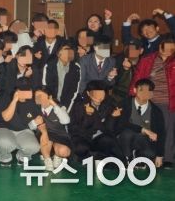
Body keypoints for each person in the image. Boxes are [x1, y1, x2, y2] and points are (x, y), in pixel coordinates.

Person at [128, 35, 175, 165]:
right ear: (160, 47)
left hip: (168, 100)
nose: (169, 51)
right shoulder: (148, 60)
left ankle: (167, 158)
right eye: (166, 48)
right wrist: (133, 94)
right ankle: (146, 154)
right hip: (148, 99)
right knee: (145, 127)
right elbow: (138, 78)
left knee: (167, 129)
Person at [117, 78, 166, 168]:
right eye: (141, 90)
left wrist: (160, 155)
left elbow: (161, 133)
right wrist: (144, 130)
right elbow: (121, 124)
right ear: (135, 90)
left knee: (150, 153)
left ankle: (138, 156)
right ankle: (127, 158)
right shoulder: (124, 104)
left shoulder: (156, 111)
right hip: (125, 138)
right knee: (127, 134)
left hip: (144, 140)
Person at [0, 78, 43, 167]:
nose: (24, 93)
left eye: (27, 90)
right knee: (5, 142)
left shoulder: (33, 102)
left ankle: (22, 156)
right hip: (4, 128)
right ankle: (5, 157)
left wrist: (35, 123)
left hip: (24, 131)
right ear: (16, 90)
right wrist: (14, 100)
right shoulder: (6, 97)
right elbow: (6, 118)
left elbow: (33, 125)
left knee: (34, 147)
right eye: (21, 90)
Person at [69, 80, 122, 161]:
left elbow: (107, 130)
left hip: (98, 137)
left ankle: (123, 162)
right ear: (88, 93)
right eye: (96, 96)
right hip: (82, 137)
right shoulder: (80, 105)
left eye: (102, 96)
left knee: (109, 141)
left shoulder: (108, 104)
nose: (99, 99)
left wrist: (112, 117)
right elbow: (74, 128)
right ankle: (95, 156)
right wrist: (88, 116)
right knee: (81, 148)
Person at [32, 86, 72, 171]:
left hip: (59, 135)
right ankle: (47, 159)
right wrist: (35, 122)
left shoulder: (59, 107)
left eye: (40, 96)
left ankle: (57, 156)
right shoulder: (34, 108)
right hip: (43, 135)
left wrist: (53, 104)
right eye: (36, 96)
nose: (38, 98)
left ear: (49, 97)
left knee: (64, 151)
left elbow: (66, 121)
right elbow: (30, 126)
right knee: (45, 134)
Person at [43, 44, 81, 110]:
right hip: (50, 102)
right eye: (65, 50)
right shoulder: (49, 66)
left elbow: (74, 91)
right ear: (58, 54)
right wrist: (52, 105)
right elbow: (45, 87)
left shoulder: (76, 68)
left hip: (66, 105)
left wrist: (65, 108)